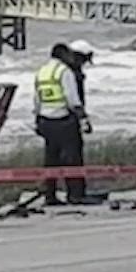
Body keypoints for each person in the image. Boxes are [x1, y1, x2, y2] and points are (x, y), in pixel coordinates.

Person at [34, 41, 92, 204]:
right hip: (64, 120)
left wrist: (37, 120)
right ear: (63, 55)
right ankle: (75, 195)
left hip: (46, 120)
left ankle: (50, 195)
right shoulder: (64, 72)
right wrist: (83, 119)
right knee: (72, 158)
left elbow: (37, 99)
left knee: (51, 160)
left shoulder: (42, 71)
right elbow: (72, 99)